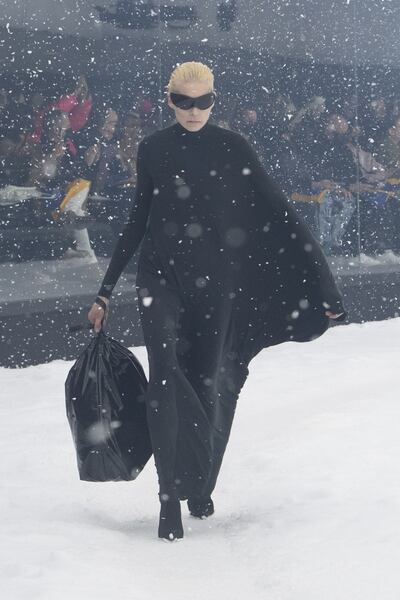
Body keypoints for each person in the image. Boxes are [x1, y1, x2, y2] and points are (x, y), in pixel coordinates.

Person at [87, 61, 346, 542]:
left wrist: (324, 286)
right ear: (169, 100)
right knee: (165, 375)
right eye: (183, 101)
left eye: (203, 101)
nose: (193, 110)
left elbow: (283, 214)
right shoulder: (154, 148)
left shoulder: (233, 147)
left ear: (214, 100)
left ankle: (201, 481)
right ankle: (169, 500)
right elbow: (137, 220)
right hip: (160, 277)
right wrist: (105, 290)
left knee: (210, 382)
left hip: (218, 284)